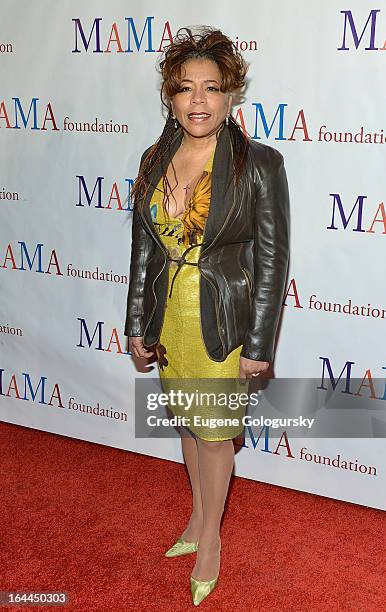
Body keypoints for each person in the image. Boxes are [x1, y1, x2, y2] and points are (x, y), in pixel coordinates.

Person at [124, 26, 290, 606]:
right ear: (169, 95)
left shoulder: (259, 164)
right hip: (170, 319)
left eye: (212, 88)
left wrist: (260, 342)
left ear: (230, 95)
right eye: (185, 88)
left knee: (217, 434)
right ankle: (197, 517)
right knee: (189, 425)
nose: (198, 100)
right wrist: (137, 324)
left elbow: (272, 259)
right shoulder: (155, 157)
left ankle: (211, 541)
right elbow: (143, 249)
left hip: (223, 320)